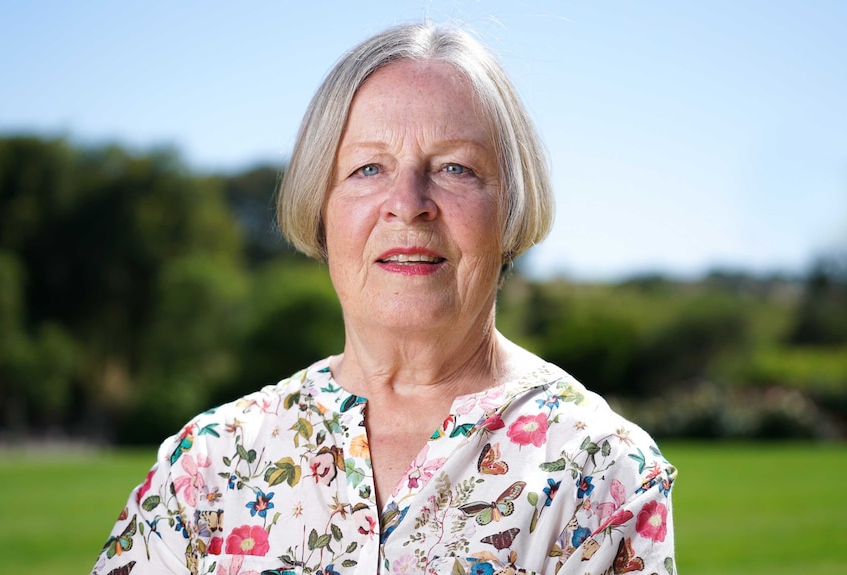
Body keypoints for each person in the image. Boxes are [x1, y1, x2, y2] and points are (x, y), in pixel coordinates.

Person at [91, 22, 677, 575]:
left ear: (512, 208)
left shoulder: (604, 469)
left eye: (455, 168)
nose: (408, 202)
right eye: (368, 167)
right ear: (319, 208)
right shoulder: (208, 463)